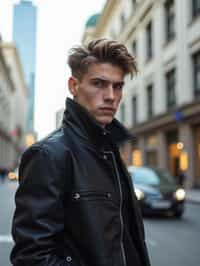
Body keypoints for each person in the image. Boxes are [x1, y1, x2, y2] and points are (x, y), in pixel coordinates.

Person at [11, 39, 151, 266]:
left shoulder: (110, 150)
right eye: (99, 83)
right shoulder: (49, 155)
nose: (111, 96)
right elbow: (32, 257)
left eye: (118, 86)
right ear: (74, 86)